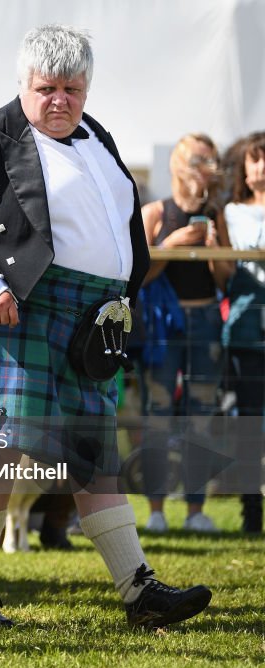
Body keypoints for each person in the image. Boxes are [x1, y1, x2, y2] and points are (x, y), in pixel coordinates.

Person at [0, 24, 211, 629]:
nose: (60, 101)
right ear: (23, 83)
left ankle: (137, 589)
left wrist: (124, 293)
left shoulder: (95, 137)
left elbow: (121, 224)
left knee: (94, 452)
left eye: (72, 89)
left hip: (86, 319)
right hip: (18, 309)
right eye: (47, 88)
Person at [139, 133, 232, 534]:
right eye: (199, 161)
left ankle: (196, 510)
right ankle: (156, 509)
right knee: (157, 413)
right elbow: (138, 276)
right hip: (163, 324)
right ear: (180, 165)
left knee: (202, 416)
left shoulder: (216, 214)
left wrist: (212, 251)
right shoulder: (156, 212)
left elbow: (226, 279)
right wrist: (173, 244)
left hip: (206, 318)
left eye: (210, 162)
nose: (205, 170)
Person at [220, 130, 265, 534]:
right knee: (249, 425)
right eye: (254, 159)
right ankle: (252, 511)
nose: (261, 167)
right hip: (248, 330)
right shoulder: (231, 212)